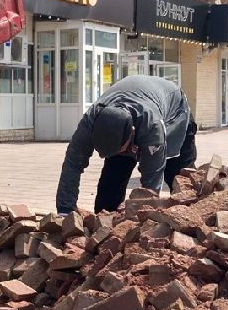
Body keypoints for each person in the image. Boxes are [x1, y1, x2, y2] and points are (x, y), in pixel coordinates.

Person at [55, 75, 197, 215]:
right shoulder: (90, 122)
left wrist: (144, 220)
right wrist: (65, 210)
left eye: (121, 149)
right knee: (110, 190)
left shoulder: (152, 126)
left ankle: (191, 223)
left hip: (174, 112)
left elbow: (152, 180)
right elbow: (72, 164)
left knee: (177, 176)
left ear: (132, 133)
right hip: (132, 110)